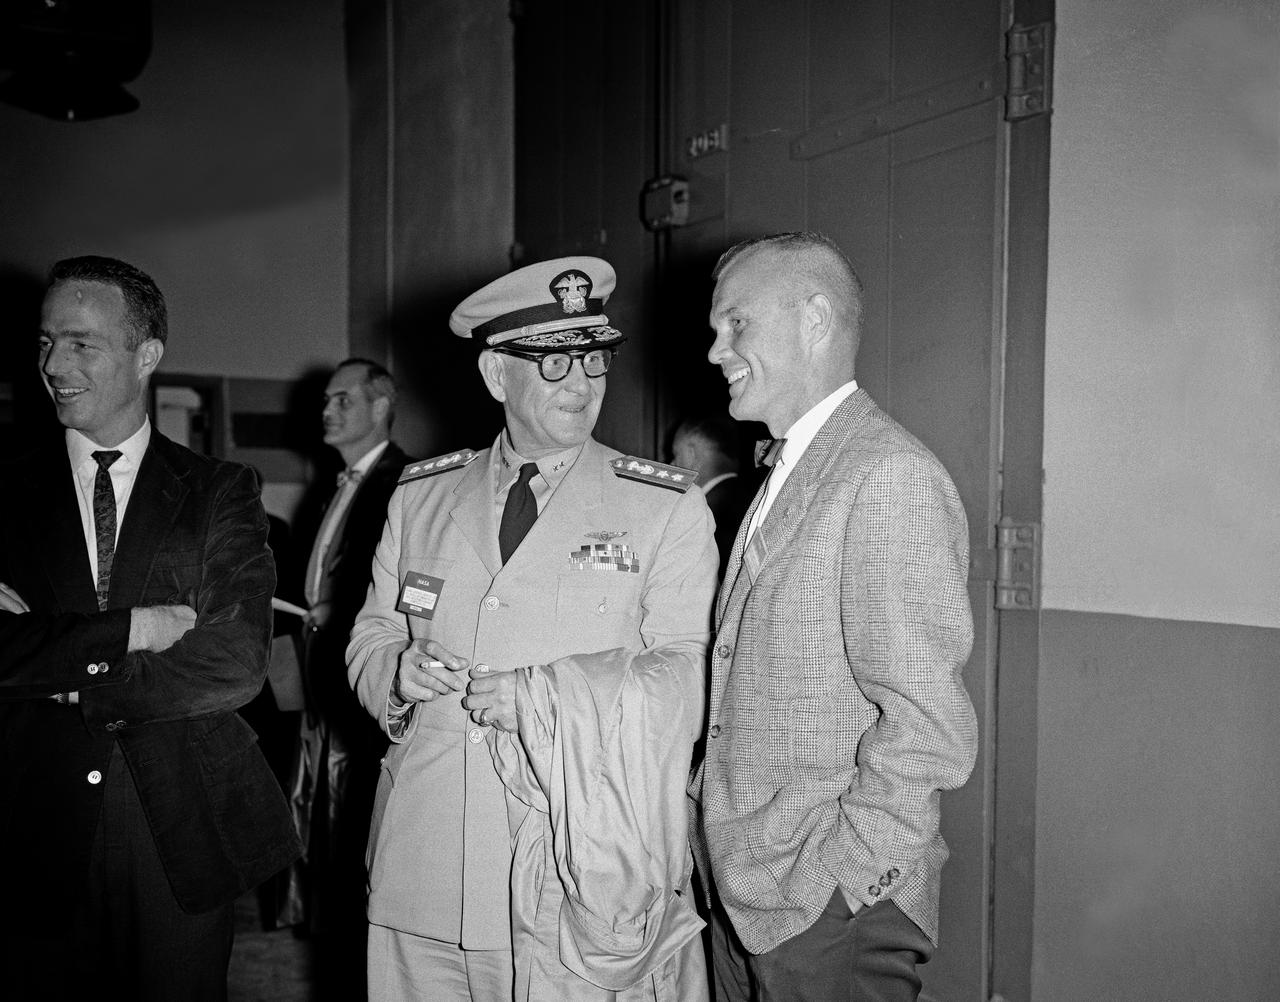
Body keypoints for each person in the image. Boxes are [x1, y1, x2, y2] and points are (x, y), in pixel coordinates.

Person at [346, 256, 719, 1001]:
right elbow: (372, 629)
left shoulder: (665, 508)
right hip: (422, 853)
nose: (581, 385)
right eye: (553, 363)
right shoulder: (420, 497)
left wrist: (550, 700)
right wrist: (394, 669)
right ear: (495, 375)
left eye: (593, 359)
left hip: (570, 864)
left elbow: (688, 675)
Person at [0, 255, 302, 1001]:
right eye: (45, 342)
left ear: (147, 356)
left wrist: (76, 684)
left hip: (178, 830)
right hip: (33, 823)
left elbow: (234, 661)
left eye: (80, 344)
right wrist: (133, 629)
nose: (53, 364)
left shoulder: (218, 493)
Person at [690, 232, 978, 1002]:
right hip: (750, 893)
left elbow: (927, 725)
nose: (715, 349)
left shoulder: (888, 474)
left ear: (813, 319)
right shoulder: (790, 467)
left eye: (735, 324)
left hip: (825, 911)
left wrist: (843, 884)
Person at [282, 358, 410, 994]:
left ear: (380, 406)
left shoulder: (403, 480)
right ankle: (328, 930)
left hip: (367, 683)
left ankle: (355, 937)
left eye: (342, 399)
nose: (327, 411)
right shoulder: (337, 483)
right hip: (321, 674)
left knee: (353, 812)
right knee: (320, 811)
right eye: (326, 400)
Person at [671, 412, 759, 577]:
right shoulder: (756, 501)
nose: (671, 464)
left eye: (676, 455)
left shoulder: (701, 516)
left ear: (692, 455)